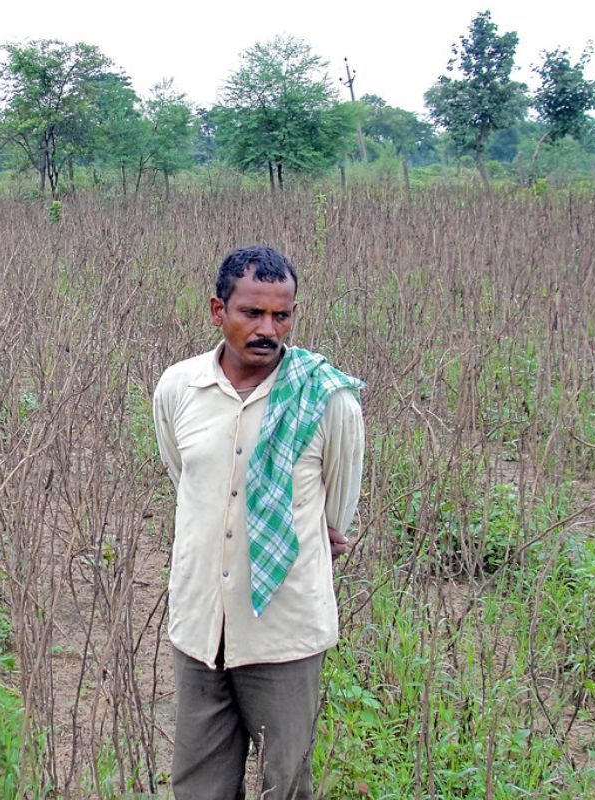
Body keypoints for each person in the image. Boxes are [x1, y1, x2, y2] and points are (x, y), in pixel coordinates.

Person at [152, 245, 365, 799]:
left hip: (284, 630)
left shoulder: (326, 399)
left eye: (282, 314)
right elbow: (190, 481)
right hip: (201, 624)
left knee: (286, 784)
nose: (268, 328)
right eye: (252, 313)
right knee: (198, 785)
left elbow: (336, 514)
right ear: (217, 310)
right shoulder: (180, 387)